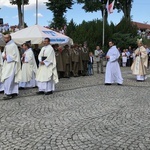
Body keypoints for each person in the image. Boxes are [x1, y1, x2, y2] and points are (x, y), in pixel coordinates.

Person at [1, 34, 21, 99]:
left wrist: (7, 57)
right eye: (4, 38)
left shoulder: (13, 45)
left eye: (6, 38)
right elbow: (4, 52)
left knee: (9, 79)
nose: (5, 39)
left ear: (9, 38)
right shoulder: (7, 45)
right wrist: (3, 55)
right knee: (8, 78)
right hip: (7, 64)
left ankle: (9, 93)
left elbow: (15, 56)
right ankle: (12, 92)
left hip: (12, 64)